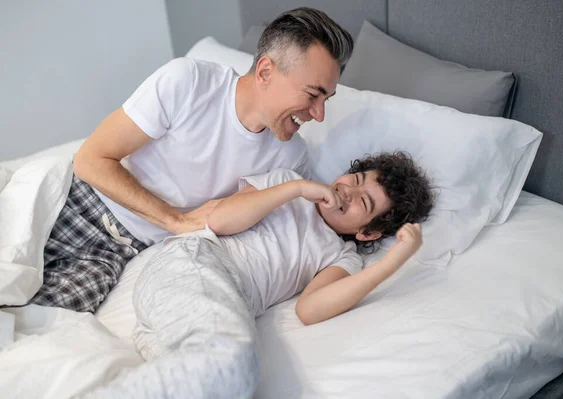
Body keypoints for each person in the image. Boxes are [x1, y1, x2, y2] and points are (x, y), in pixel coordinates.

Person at [29, 7, 354, 313]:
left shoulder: (291, 159)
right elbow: (91, 159)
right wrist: (175, 221)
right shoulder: (188, 82)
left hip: (124, 254)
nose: (319, 114)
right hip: (78, 203)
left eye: (327, 99)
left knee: (34, 325)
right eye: (313, 95)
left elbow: (285, 238)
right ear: (266, 71)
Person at [83, 152, 435, 398]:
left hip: (200, 308)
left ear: (369, 233)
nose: (348, 191)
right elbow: (219, 221)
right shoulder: (286, 182)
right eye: (355, 180)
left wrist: (390, 264)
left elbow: (309, 310)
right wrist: (296, 189)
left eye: (364, 202)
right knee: (237, 364)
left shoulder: (341, 256)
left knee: (222, 387)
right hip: (195, 262)